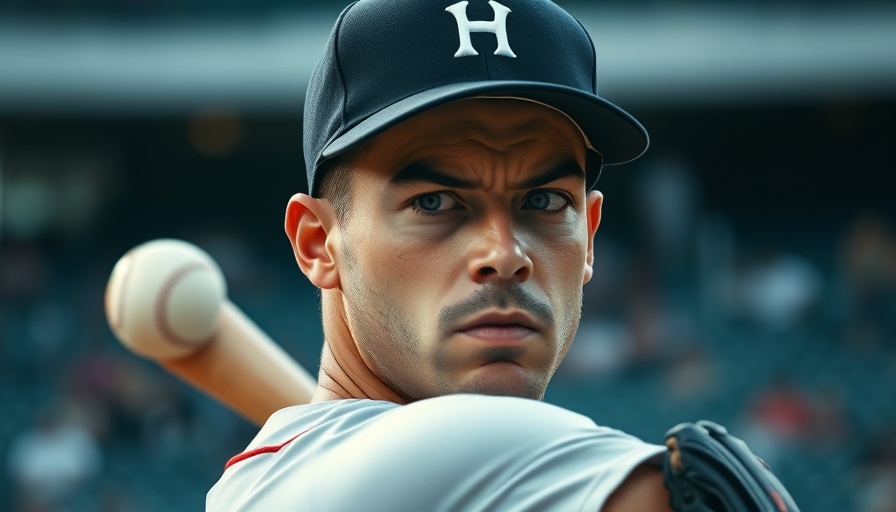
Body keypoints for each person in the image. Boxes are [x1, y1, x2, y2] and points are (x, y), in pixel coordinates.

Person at [208, 1, 795, 510]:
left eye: (543, 200)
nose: (505, 254)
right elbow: (703, 496)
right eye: (435, 202)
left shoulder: (287, 480)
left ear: (589, 235)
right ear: (318, 243)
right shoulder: (355, 478)